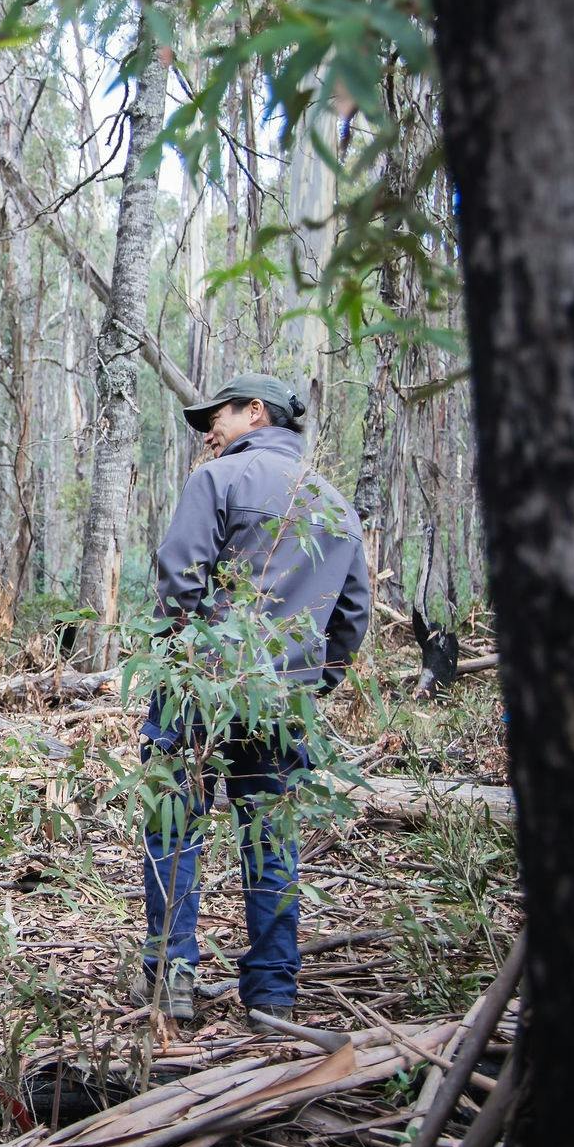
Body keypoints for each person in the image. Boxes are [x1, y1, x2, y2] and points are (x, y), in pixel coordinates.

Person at [134, 372, 371, 1024]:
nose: (209, 430)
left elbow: (179, 578)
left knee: (174, 826)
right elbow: (351, 618)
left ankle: (172, 979)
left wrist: (176, 663)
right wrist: (309, 684)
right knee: (270, 840)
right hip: (282, 702)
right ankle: (271, 994)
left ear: (256, 412)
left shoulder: (218, 481)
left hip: (200, 688)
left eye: (218, 416)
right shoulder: (334, 504)